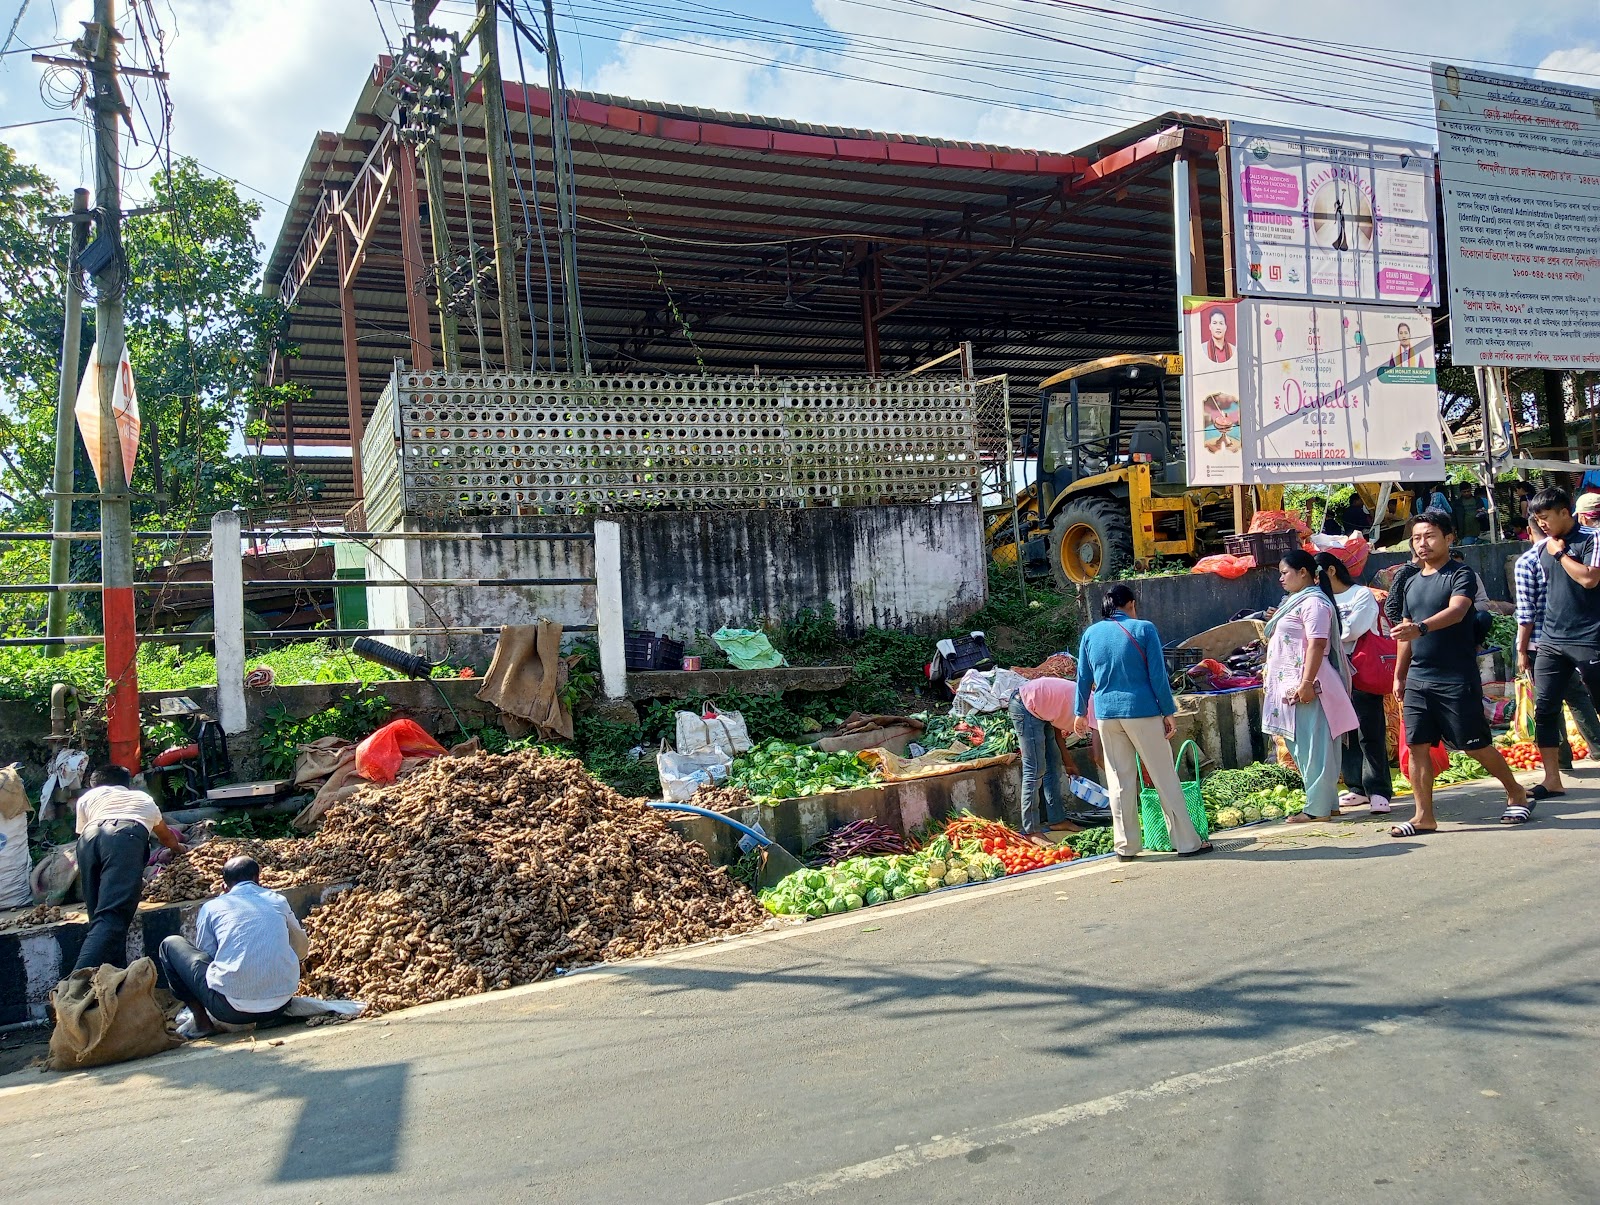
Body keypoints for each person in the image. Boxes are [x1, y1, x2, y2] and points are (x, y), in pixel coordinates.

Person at [1391, 511, 1527, 836]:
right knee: (1419, 746)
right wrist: (1399, 676)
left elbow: (1457, 611)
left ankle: (1515, 791)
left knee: (1474, 745)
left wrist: (1421, 628)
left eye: (1430, 536)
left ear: (1449, 538)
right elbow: (1404, 634)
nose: (1422, 544)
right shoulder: (1409, 580)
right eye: (1417, 538)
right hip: (1419, 681)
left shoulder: (1460, 573)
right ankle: (1424, 816)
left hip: (1455, 677)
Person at [1073, 584, 1210, 861]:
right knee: (1163, 777)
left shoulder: (1090, 634)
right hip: (1142, 711)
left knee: (1120, 781)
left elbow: (1083, 678)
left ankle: (1125, 847)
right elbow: (1158, 676)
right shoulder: (1144, 629)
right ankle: (1186, 842)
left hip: (1107, 715)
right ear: (1131, 604)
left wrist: (1079, 713)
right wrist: (1168, 711)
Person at [158, 856, 309, 1038]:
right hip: (281, 1004)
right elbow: (301, 948)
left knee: (170, 944)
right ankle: (267, 1017)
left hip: (230, 1011)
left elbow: (208, 956)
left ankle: (202, 1023)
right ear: (257, 879)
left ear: (225, 886)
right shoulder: (278, 900)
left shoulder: (212, 907)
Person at [1262, 552, 1359, 823]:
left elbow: (1317, 644)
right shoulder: (1296, 602)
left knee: (1315, 747)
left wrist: (1306, 683)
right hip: (1294, 686)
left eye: (1285, 572)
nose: (1281, 578)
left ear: (1303, 572)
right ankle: (1327, 805)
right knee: (1304, 747)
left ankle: (1316, 810)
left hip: (1311, 686)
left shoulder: (1314, 603)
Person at [1525, 487, 1600, 813]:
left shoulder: (1591, 539)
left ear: (1565, 512)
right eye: (1537, 519)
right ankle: (1552, 778)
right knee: (1545, 709)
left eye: (1545, 517)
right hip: (1552, 639)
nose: (1541, 524)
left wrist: (1559, 553)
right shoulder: (1541, 549)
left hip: (1590, 636)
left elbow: (1589, 579)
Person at [73, 765, 186, 972]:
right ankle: (72, 986)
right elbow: (165, 835)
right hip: (124, 838)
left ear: (95, 784)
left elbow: (85, 831)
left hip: (88, 841)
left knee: (98, 915)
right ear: (127, 784)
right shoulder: (143, 799)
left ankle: (111, 977)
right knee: (112, 916)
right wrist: (178, 848)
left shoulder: (88, 798)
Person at [1317, 553, 1393, 815]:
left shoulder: (1361, 595)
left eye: (1315, 574)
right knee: (1344, 731)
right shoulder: (1318, 599)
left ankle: (1379, 790)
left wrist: (1323, 637)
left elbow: (1353, 630)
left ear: (1330, 570)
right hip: (1332, 672)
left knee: (1369, 730)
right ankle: (1356, 787)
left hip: (1361, 670)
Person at [1008, 677, 1080, 846]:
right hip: (1024, 705)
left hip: (1040, 708)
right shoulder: (1086, 708)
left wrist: (1067, 762)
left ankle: (1056, 820)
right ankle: (1031, 830)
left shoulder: (1084, 704)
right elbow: (1097, 755)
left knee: (1053, 763)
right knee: (1034, 769)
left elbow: (1056, 733)